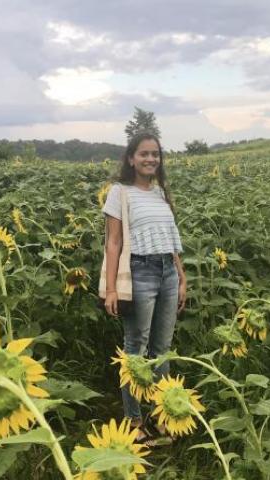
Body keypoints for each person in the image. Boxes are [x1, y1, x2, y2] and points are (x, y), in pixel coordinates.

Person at [102, 132, 187, 442]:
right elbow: (113, 242)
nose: (151, 159)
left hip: (167, 272)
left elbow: (171, 240)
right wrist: (111, 289)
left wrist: (181, 277)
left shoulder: (160, 193)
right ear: (131, 158)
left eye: (155, 154)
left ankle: (163, 413)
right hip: (140, 272)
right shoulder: (119, 192)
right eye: (144, 154)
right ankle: (135, 420)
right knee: (136, 351)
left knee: (161, 351)